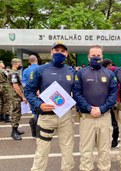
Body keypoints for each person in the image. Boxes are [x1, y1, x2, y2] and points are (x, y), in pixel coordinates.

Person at [24, 41, 75, 171]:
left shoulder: (71, 70)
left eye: (62, 51)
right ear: (51, 52)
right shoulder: (40, 70)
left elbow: (78, 91)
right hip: (46, 117)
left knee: (68, 151)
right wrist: (39, 104)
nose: (59, 53)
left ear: (67, 54)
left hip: (66, 116)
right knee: (42, 151)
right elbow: (28, 91)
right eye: (56, 50)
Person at [73, 45, 118, 171]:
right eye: (93, 55)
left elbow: (113, 95)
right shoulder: (81, 73)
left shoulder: (109, 74)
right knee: (86, 150)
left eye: (98, 55)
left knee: (104, 150)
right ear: (88, 57)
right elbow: (77, 93)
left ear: (102, 57)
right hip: (87, 118)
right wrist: (89, 108)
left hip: (104, 117)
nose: (96, 57)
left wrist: (102, 109)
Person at [102, 58, 119, 147]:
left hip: (104, 104)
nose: (111, 67)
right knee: (113, 124)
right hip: (108, 104)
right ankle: (114, 141)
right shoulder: (110, 74)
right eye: (110, 65)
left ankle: (112, 141)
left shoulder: (108, 74)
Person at [8, 58, 27, 140]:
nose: (21, 65)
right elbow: (15, 86)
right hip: (15, 96)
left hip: (16, 96)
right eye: (20, 63)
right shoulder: (13, 74)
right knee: (15, 113)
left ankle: (16, 130)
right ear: (15, 64)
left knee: (17, 113)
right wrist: (22, 96)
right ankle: (14, 132)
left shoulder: (15, 73)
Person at [22, 55, 39, 137]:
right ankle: (40, 130)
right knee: (41, 112)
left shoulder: (26, 71)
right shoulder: (42, 68)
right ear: (37, 60)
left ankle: (35, 131)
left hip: (31, 94)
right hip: (41, 94)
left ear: (29, 61)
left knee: (33, 111)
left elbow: (24, 84)